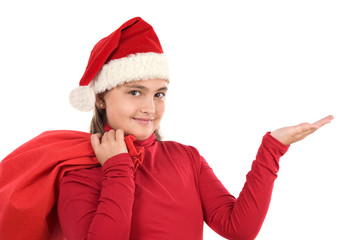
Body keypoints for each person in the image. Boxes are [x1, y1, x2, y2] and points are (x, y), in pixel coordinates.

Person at [0, 17, 333, 240]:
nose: (150, 107)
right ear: (100, 99)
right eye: (134, 92)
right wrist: (116, 169)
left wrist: (272, 149)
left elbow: (238, 228)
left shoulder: (184, 157)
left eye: (159, 93)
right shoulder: (80, 172)